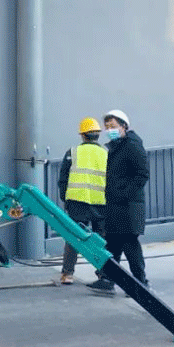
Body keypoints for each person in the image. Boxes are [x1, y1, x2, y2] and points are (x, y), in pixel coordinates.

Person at [87, 109, 150, 294]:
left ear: (124, 126)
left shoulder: (132, 145)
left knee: (130, 244)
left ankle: (141, 282)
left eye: (113, 126)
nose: (109, 130)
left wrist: (123, 193)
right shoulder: (117, 145)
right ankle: (108, 279)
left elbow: (142, 174)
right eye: (107, 127)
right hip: (116, 206)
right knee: (112, 244)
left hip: (128, 206)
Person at [57, 117, 107, 285]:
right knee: (101, 239)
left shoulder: (72, 153)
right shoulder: (106, 154)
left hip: (77, 202)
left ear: (83, 136)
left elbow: (63, 179)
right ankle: (103, 273)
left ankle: (67, 274)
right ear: (97, 135)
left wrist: (65, 199)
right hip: (101, 203)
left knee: (74, 238)